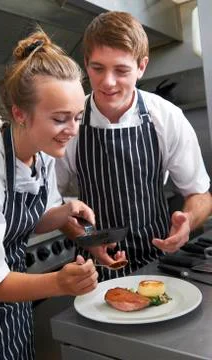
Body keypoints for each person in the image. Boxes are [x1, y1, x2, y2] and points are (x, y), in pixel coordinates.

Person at [56, 11, 212, 282]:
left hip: (159, 266)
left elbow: (200, 194)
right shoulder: (69, 122)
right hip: (96, 272)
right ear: (85, 63)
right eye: (98, 68)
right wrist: (84, 237)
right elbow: (49, 203)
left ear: (142, 67)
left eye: (121, 70)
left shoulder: (166, 117)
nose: (108, 82)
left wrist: (187, 222)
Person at [0, 30, 98, 360]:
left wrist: (65, 211)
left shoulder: (41, 154)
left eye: (77, 117)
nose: (72, 130)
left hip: (14, 307)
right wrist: (60, 283)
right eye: (59, 119)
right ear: (19, 114)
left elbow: (29, 220)